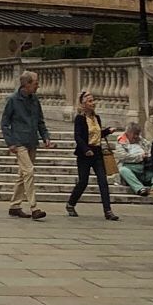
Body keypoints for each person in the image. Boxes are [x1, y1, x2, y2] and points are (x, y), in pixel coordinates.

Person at [0, 70, 50, 219]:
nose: (38, 86)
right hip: (19, 141)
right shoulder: (13, 100)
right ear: (26, 84)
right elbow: (4, 123)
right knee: (29, 171)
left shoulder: (35, 100)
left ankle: (15, 205)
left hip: (31, 141)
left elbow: (40, 121)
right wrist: (10, 142)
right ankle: (34, 207)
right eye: (35, 83)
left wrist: (46, 137)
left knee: (23, 175)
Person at [65, 89, 119, 221]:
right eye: (89, 101)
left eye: (92, 100)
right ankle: (71, 203)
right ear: (83, 104)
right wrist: (85, 149)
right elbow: (78, 136)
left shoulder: (96, 118)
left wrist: (107, 131)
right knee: (83, 181)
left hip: (97, 153)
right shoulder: (80, 118)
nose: (92, 103)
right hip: (85, 154)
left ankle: (108, 210)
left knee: (103, 181)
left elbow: (98, 134)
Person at [114, 123, 153, 198]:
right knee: (123, 170)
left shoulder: (142, 141)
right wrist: (140, 157)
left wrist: (149, 156)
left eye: (137, 134)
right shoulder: (121, 142)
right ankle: (140, 189)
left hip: (145, 170)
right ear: (128, 133)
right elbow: (123, 156)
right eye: (134, 134)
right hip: (131, 170)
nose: (136, 136)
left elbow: (151, 149)